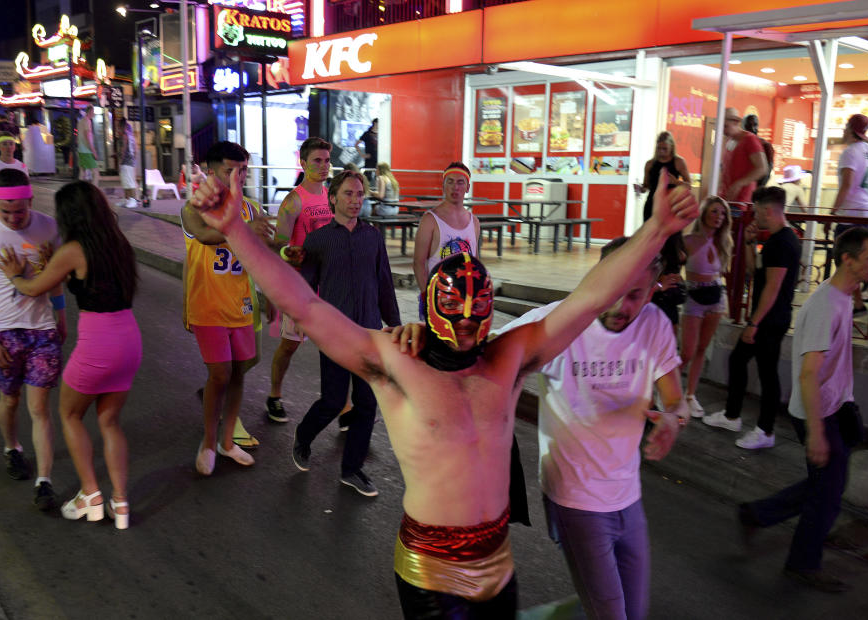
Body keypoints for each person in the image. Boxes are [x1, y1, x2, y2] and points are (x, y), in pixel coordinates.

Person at [190, 166, 698, 617]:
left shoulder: (507, 358)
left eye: (478, 317)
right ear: (432, 309)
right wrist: (235, 229)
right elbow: (305, 305)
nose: (468, 330)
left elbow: (590, 297)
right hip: (431, 571)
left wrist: (656, 229)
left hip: (498, 562)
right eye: (455, 315)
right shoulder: (395, 364)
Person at [496, 237, 686, 620]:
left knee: (633, 610)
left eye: (636, 295)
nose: (622, 306)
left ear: (653, 291)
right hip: (574, 500)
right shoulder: (556, 323)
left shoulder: (654, 325)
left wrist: (673, 419)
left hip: (627, 496)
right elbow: (482, 357)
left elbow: (675, 398)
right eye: (614, 291)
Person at [739, 227, 868, 593]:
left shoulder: (845, 295)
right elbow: (807, 374)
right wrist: (817, 433)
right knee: (828, 494)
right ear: (847, 259)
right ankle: (803, 563)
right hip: (818, 411)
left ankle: (759, 513)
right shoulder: (825, 306)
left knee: (825, 483)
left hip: (837, 405)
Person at [0, 182, 141, 529]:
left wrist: (15, 274)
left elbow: (33, 288)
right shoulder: (117, 242)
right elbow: (77, 279)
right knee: (109, 422)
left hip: (97, 345)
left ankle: (90, 494)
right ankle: (120, 504)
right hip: (129, 341)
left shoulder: (75, 248)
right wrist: (54, 265)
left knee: (70, 415)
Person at [292, 170, 401, 496]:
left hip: (369, 333)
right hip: (334, 334)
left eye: (360, 194)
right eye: (349, 194)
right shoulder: (319, 240)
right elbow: (306, 289)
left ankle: (351, 470)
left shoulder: (373, 237)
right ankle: (303, 434)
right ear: (333, 198)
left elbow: (384, 282)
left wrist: (393, 322)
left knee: (367, 404)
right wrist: (303, 317)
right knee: (333, 400)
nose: (355, 200)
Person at [0, 169, 65, 511]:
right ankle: (12, 448)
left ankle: (44, 481)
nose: (11, 218)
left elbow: (55, 280)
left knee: (39, 408)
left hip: (42, 331)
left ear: (30, 200)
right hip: (4, 334)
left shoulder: (48, 227)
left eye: (19, 211)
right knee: (9, 401)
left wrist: (61, 315)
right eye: (3, 210)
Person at [181, 141, 274, 475]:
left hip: (242, 304)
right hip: (207, 305)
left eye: (244, 170)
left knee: (238, 372)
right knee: (219, 374)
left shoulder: (250, 208)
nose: (239, 177)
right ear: (210, 171)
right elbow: (204, 235)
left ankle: (227, 441)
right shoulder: (197, 206)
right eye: (230, 171)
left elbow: (266, 249)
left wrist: (287, 248)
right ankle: (208, 442)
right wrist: (242, 231)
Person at [704, 187, 802, 449]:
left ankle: (765, 431)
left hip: (770, 319)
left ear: (768, 210)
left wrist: (754, 322)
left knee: (767, 374)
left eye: (756, 210)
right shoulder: (775, 240)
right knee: (739, 361)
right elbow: (754, 271)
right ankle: (732, 415)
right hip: (768, 317)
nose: (754, 216)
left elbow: (772, 286)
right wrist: (749, 242)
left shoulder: (782, 243)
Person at [266, 137, 335, 424]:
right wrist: (290, 253)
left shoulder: (332, 196)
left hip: (327, 285)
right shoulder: (293, 201)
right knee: (289, 345)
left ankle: (340, 406)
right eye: (317, 161)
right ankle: (274, 395)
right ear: (303, 163)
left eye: (327, 161)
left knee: (334, 345)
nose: (323, 166)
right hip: (298, 287)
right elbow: (277, 245)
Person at [680, 196, 732, 418]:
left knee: (702, 349)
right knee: (687, 351)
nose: (719, 217)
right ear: (703, 214)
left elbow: (725, 272)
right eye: (714, 212)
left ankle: (690, 395)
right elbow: (671, 266)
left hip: (716, 297)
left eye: (722, 213)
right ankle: (667, 391)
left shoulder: (724, 242)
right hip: (693, 296)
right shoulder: (689, 240)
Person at [637, 131, 691, 332]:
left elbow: (688, 185)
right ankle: (653, 277)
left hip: (670, 207)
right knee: (651, 245)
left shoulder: (678, 162)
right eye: (659, 149)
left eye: (665, 149)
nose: (661, 153)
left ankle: (671, 279)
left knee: (670, 244)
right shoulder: (650, 164)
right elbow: (646, 185)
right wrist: (640, 188)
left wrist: (673, 181)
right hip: (652, 206)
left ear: (671, 148)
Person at [830, 114, 868, 315]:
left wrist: (833, 213)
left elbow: (847, 184)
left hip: (851, 213)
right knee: (857, 259)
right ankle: (853, 300)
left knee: (845, 258)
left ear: (850, 129)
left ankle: (852, 301)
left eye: (845, 127)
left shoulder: (850, 152)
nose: (843, 131)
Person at [413, 162, 481, 292]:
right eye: (450, 182)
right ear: (443, 186)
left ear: (468, 187)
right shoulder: (430, 220)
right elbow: (419, 263)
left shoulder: (474, 222)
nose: (455, 187)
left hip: (465, 298)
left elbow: (474, 262)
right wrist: (426, 297)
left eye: (460, 182)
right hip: (438, 298)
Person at [720, 107, 768, 205]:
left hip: (742, 201)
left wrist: (739, 184)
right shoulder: (729, 141)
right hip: (726, 199)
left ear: (735, 122)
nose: (723, 130)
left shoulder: (750, 140)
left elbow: (762, 168)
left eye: (725, 126)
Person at [0, 133, 29, 215]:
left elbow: (27, 191)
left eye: (11, 144)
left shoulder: (22, 167)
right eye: (4, 144)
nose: (9, 147)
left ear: (15, 146)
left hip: (19, 213)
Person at [743, 114, 774, 188]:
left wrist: (757, 189)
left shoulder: (765, 145)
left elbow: (767, 171)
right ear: (744, 127)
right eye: (749, 125)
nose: (753, 128)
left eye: (755, 125)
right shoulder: (738, 144)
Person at [118, 119, 139, 209]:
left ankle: (133, 200)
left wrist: (120, 161)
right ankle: (127, 199)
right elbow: (136, 150)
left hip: (126, 161)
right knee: (126, 181)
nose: (118, 129)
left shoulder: (125, 136)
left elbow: (123, 149)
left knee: (129, 182)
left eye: (119, 126)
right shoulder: (131, 136)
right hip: (130, 161)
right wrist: (134, 159)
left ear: (122, 126)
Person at [77, 108, 99, 183]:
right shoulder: (87, 121)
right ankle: (94, 192)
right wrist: (93, 151)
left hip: (81, 150)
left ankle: (80, 190)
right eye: (93, 112)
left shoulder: (80, 121)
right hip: (87, 151)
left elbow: (78, 137)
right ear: (90, 112)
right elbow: (87, 137)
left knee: (82, 172)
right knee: (95, 173)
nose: (94, 114)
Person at [356, 118, 379, 182]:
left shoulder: (382, 134)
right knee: (367, 177)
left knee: (379, 177)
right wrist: (362, 155)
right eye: (378, 124)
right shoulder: (367, 134)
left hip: (379, 159)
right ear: (375, 123)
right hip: (370, 159)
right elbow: (356, 144)